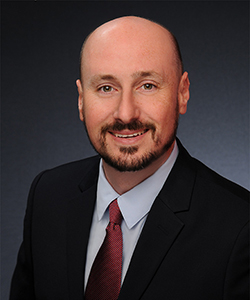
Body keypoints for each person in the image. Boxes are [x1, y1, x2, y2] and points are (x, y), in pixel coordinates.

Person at [10, 16, 249, 300]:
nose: (125, 114)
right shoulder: (47, 196)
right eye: (106, 88)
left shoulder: (239, 228)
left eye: (147, 85)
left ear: (182, 93)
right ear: (81, 100)